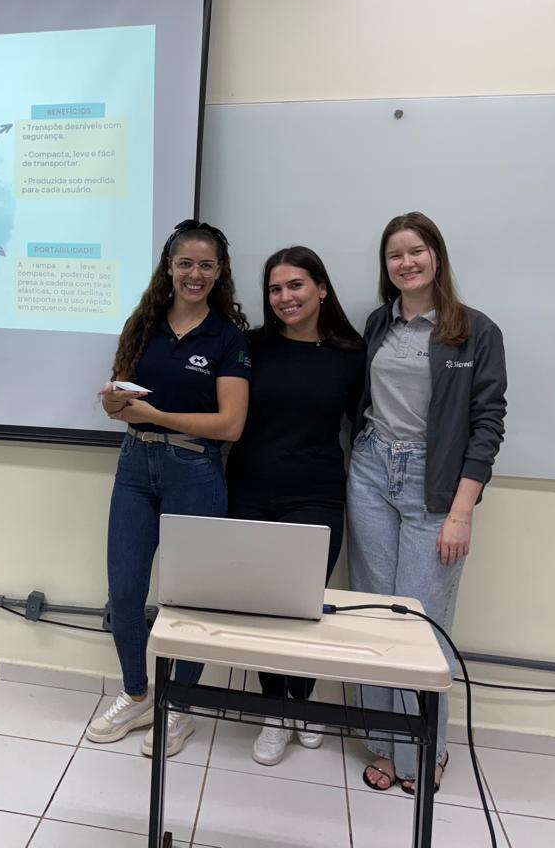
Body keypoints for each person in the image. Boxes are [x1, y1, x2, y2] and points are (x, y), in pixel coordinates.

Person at [350, 211, 506, 794]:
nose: (406, 263)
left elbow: (487, 425)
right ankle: (383, 742)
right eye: (395, 255)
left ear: (436, 256)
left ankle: (424, 749)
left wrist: (462, 511)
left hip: (434, 484)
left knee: (422, 622)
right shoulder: (379, 324)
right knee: (372, 613)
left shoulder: (476, 330)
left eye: (416, 251)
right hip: (370, 469)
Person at [85, 219, 250, 757]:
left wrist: (157, 415)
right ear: (169, 268)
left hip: (195, 470)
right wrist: (114, 401)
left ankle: (179, 705)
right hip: (135, 466)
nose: (194, 274)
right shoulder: (144, 323)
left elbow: (230, 425)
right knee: (124, 591)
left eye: (205, 265)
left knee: (191, 598)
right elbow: (119, 405)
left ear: (219, 272)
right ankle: (137, 694)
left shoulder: (228, 337)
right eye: (185, 264)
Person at [224, 246, 365, 765]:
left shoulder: (352, 353)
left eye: (296, 285)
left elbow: (365, 427)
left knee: (304, 606)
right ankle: (274, 712)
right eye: (275, 289)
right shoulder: (250, 346)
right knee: (263, 606)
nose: (285, 297)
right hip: (250, 489)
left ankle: (301, 702)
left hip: (317, 493)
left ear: (321, 288)